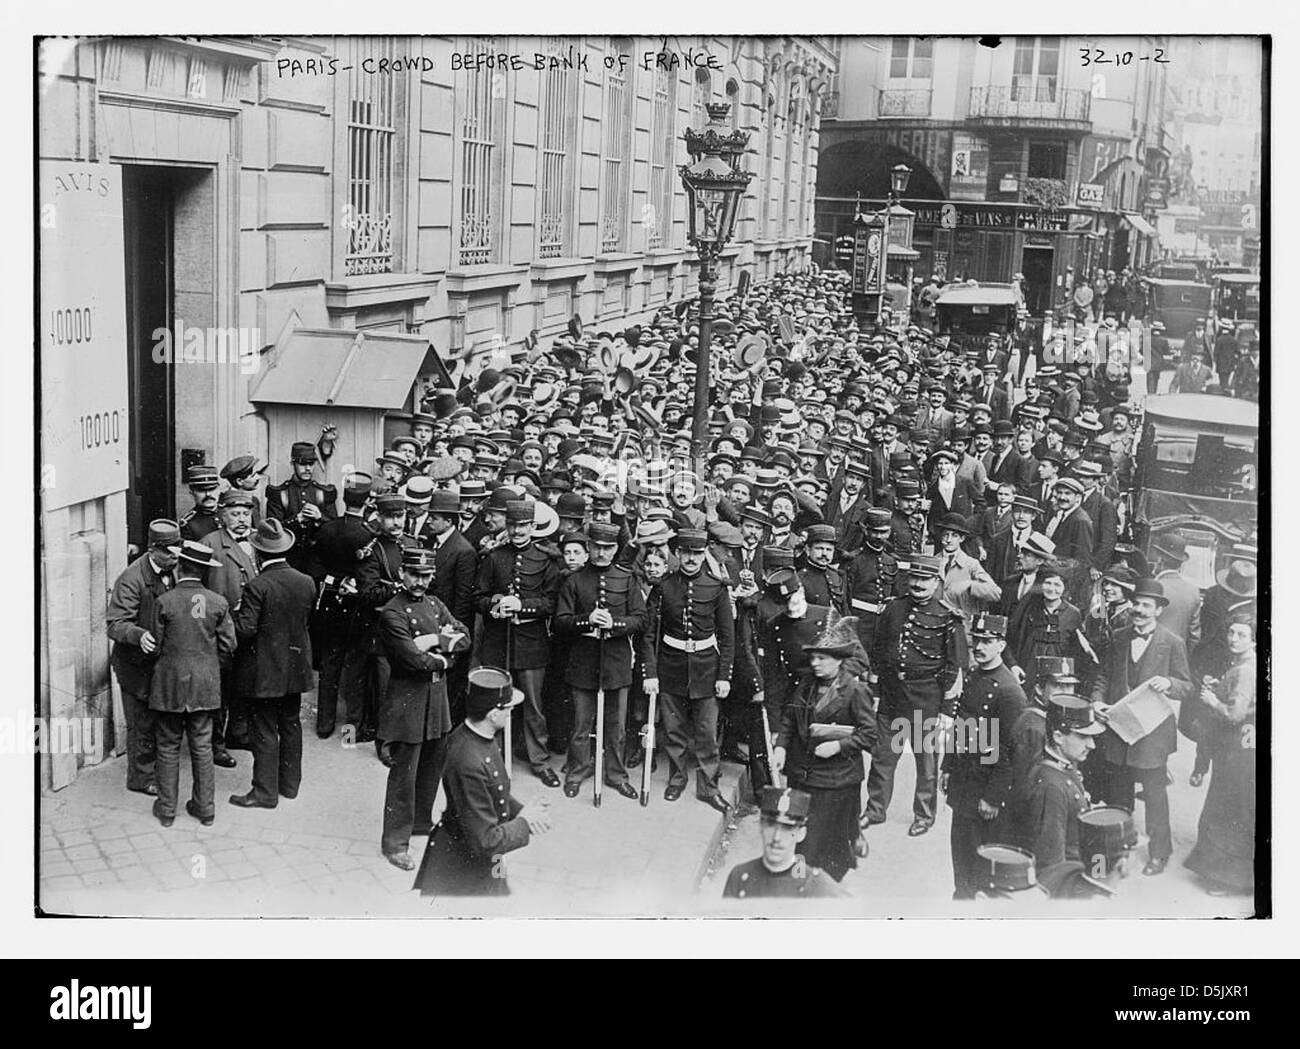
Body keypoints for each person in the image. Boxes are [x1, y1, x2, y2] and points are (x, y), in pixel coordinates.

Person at [1089, 578, 1193, 876]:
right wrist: (1097, 701)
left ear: (1159, 610)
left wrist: (1170, 683)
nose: (1139, 609)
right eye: (1136, 603)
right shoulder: (1118, 636)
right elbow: (1103, 677)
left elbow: (1187, 686)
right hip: (1118, 730)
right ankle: (1118, 848)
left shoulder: (1173, 643)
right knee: (1117, 794)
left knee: (1155, 796)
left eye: (1147, 605)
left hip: (1152, 736)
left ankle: (1160, 853)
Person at [415, 667, 550, 896]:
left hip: (474, 859)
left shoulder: (478, 737)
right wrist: (526, 822)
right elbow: (486, 841)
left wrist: (521, 810)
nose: (510, 713)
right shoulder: (469, 761)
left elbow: (492, 789)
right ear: (493, 714)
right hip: (461, 869)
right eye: (508, 709)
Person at [376, 547, 471, 870]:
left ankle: (420, 822)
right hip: (408, 702)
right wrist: (443, 648)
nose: (420, 582)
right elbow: (411, 659)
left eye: (426, 576)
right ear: (402, 574)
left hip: (436, 700)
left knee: (432, 767)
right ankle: (395, 843)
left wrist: (433, 643)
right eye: (414, 575)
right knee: (404, 775)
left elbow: (465, 637)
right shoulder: (392, 612)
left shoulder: (435, 603)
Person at [864, 554, 968, 837]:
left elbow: (955, 666)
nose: (919, 584)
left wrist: (947, 710)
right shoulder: (892, 609)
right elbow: (878, 652)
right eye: (915, 578)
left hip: (926, 700)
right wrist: (874, 692)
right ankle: (875, 809)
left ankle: (924, 815)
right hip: (891, 697)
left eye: (925, 579)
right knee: (883, 756)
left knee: (926, 762)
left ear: (937, 582)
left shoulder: (948, 617)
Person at [772, 614, 876, 882]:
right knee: (798, 834)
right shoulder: (806, 684)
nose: (815, 663)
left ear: (839, 659)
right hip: (802, 775)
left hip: (835, 782)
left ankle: (823, 889)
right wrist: (782, 747)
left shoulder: (855, 691)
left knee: (826, 841)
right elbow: (789, 718)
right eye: (813, 657)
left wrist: (838, 746)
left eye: (822, 658)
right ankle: (798, 882)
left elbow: (870, 734)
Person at [642, 528, 735, 813]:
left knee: (707, 732)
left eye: (697, 553)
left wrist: (724, 676)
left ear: (703, 554)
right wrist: (650, 673)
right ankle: (677, 778)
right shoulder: (663, 586)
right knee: (674, 730)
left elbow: (727, 637)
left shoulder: (717, 587)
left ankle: (709, 787)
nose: (691, 559)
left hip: (707, 668)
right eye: (686, 553)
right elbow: (648, 634)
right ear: (677, 554)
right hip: (671, 666)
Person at [554, 521, 646, 801]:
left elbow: (641, 619)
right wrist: (587, 620)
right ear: (588, 548)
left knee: (616, 727)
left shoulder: (627, 578)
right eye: (596, 547)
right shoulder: (574, 580)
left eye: (607, 548)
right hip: (583, 659)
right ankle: (577, 772)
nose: (601, 553)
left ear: (616, 549)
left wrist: (615, 623)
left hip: (617, 661)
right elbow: (560, 621)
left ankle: (616, 775)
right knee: (581, 724)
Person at [147, 540, 237, 828]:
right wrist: (209, 666)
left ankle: (167, 809)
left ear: (181, 566)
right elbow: (229, 644)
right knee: (202, 745)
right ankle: (205, 808)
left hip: (169, 684)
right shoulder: (218, 602)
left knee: (168, 745)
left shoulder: (164, 601)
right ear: (204, 571)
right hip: (204, 685)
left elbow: (155, 645)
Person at [228, 519, 316, 812]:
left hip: (264, 671)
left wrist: (235, 616)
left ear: (258, 553)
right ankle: (290, 786)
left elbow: (246, 630)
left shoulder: (257, 586)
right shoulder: (306, 581)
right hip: (296, 667)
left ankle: (264, 792)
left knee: (264, 729)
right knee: (290, 724)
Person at [474, 499, 563, 786]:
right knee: (494, 703)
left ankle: (539, 760)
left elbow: (551, 602)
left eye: (523, 525)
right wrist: (494, 605)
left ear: (533, 527)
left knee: (534, 705)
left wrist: (522, 606)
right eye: (512, 525)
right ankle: (492, 758)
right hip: (498, 640)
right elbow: (478, 597)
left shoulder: (545, 560)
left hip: (532, 641)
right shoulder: (493, 557)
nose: (517, 531)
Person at [942, 612, 1026, 899]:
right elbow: (960, 725)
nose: (979, 647)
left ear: (1002, 645)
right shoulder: (975, 675)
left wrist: (993, 796)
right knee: (960, 857)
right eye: (976, 639)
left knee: (979, 865)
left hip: (983, 790)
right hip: (963, 781)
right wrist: (948, 765)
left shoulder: (1010, 691)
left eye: (987, 641)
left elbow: (1011, 753)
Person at [106, 519, 180, 797]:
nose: (175, 557)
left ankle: (154, 770)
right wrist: (138, 635)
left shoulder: (172, 568)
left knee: (157, 719)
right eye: (170, 552)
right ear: (153, 550)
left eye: (177, 551)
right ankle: (140, 778)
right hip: (134, 665)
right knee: (141, 723)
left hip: (159, 663)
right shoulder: (131, 579)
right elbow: (115, 623)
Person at [1184, 614, 1257, 896]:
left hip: (1236, 749)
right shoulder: (1246, 663)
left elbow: (1235, 713)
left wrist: (1213, 700)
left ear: (1252, 638)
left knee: (1227, 811)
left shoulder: (1245, 669)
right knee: (1237, 808)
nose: (1234, 639)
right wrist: (1220, 687)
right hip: (1243, 747)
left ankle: (1226, 879)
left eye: (1241, 634)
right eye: (1231, 633)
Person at [1012, 693, 1107, 896]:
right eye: (1082, 736)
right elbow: (1051, 865)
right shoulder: (1051, 786)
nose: (1092, 744)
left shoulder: (1064, 767)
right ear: (1057, 736)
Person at [721, 786, 845, 899]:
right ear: (760, 827)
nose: (777, 837)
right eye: (770, 825)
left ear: (801, 834)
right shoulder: (740, 877)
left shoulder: (815, 885)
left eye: (787, 829)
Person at [265, 440, 338, 571]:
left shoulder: (324, 493)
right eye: (302, 464)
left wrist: (319, 517)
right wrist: (297, 520)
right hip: (288, 562)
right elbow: (273, 531)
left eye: (311, 464)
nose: (308, 469)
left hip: (318, 564)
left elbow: (335, 530)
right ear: (292, 463)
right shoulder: (279, 493)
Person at [179, 464, 221, 542]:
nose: (208, 494)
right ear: (192, 492)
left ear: (219, 489)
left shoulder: (232, 512)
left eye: (212, 489)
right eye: (201, 490)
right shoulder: (189, 524)